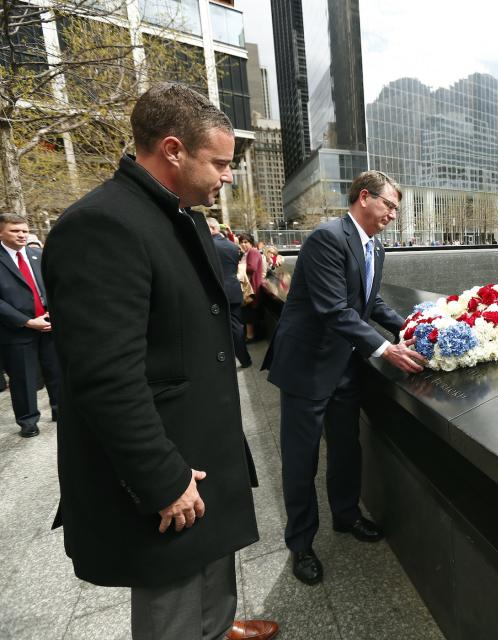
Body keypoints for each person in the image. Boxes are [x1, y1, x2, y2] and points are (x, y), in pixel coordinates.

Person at [42, 83, 277, 640]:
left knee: (209, 566)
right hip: (168, 461)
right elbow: (104, 378)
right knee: (171, 599)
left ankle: (216, 628)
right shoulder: (103, 226)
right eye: (219, 163)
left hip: (198, 443)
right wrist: (162, 479)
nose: (227, 177)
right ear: (173, 149)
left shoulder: (172, 215)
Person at [263, 170, 427, 586]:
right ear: (365, 197)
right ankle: (301, 544)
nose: (393, 214)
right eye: (389, 204)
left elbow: (370, 302)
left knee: (346, 447)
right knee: (301, 460)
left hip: (344, 365)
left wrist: (412, 327)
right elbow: (334, 309)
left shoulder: (375, 246)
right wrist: (385, 349)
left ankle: (346, 515)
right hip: (307, 366)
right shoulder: (327, 238)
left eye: (395, 208)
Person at [0, 213, 60, 437]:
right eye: (15, 231)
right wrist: (26, 321)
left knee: (56, 371)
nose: (22, 235)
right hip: (16, 330)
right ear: (1, 233)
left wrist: (51, 313)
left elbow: (53, 286)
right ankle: (28, 421)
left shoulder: (37, 254)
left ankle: (59, 410)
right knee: (23, 377)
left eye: (24, 230)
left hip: (47, 324)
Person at [207, 217, 253, 369]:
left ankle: (220, 362)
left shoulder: (206, 245)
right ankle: (245, 360)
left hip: (213, 292)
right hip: (233, 291)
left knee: (214, 328)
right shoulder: (234, 247)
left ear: (213, 228)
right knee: (237, 327)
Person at [237, 233, 263, 342]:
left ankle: (250, 336)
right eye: (241, 242)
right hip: (249, 287)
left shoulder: (253, 251)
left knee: (250, 312)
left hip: (252, 287)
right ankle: (249, 335)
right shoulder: (246, 253)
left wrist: (239, 267)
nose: (243, 244)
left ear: (251, 243)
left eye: (245, 242)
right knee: (247, 312)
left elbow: (252, 268)